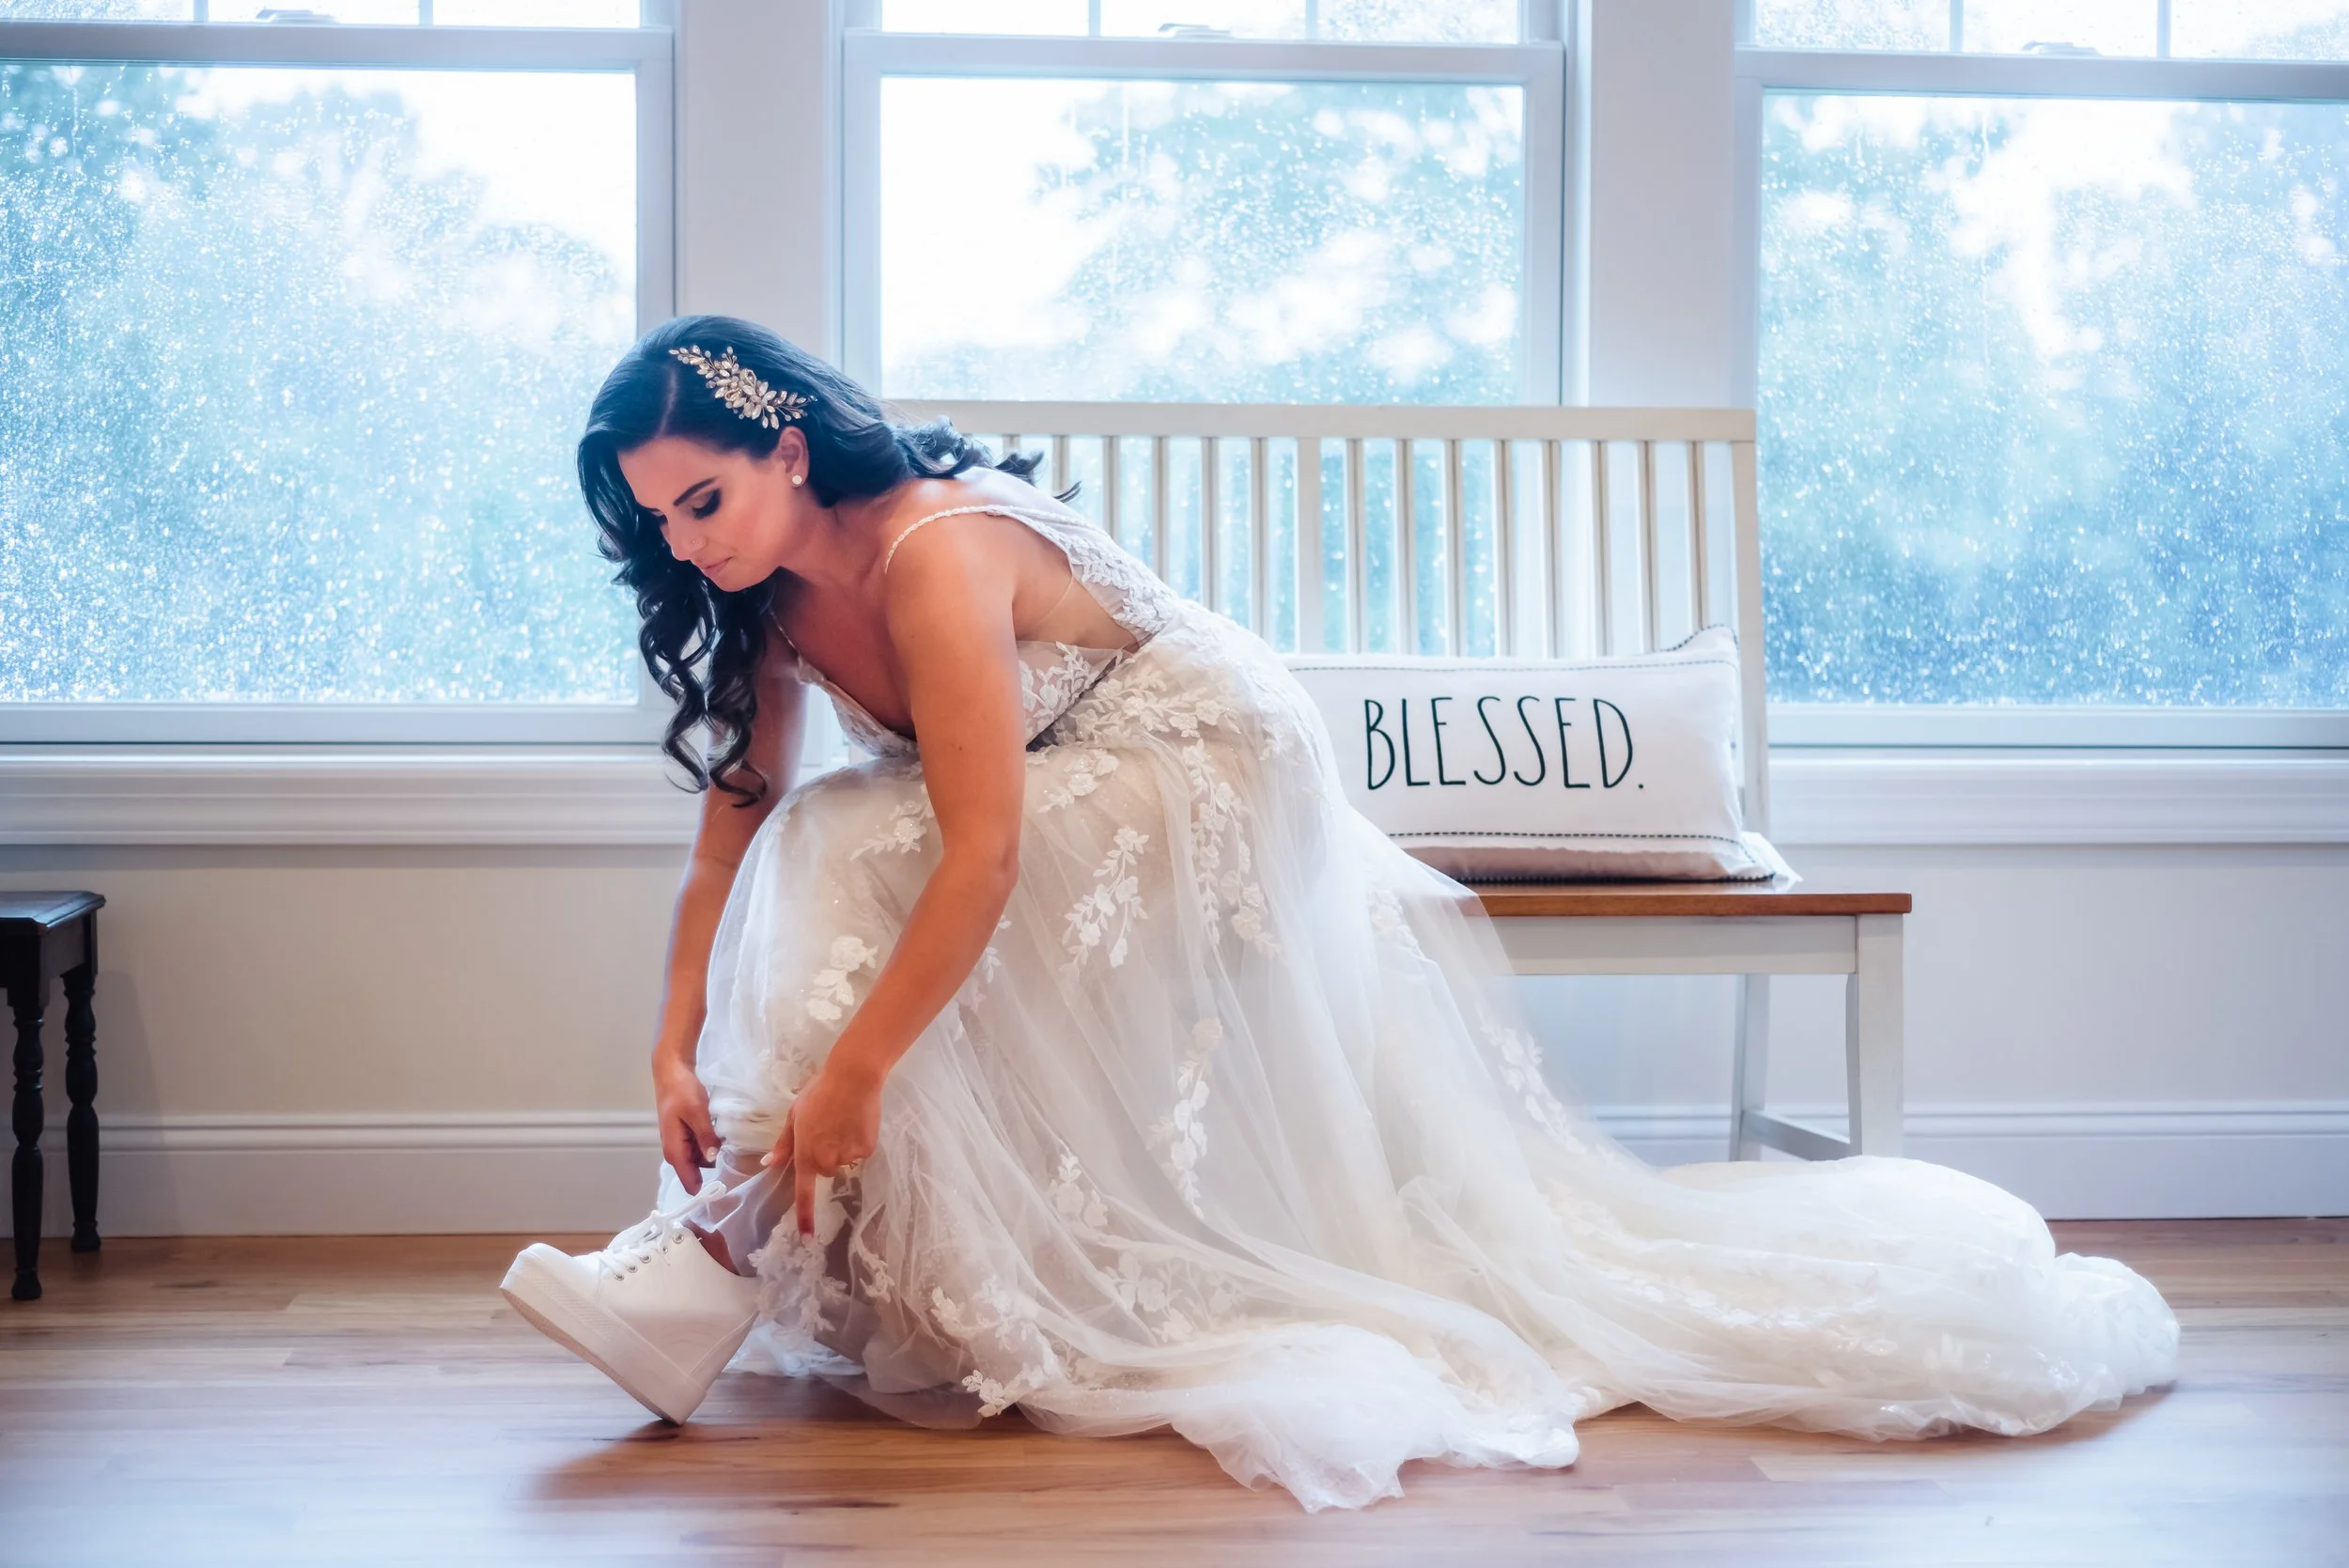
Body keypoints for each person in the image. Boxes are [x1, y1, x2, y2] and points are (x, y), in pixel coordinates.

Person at [499, 316, 2179, 1513]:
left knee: (860, 857)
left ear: (786, 446)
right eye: (654, 523)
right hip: (1058, 779)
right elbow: (729, 832)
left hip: (1206, 757)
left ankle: (710, 1254)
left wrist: (856, 1071)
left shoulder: (933, 554)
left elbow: (985, 851)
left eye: (702, 502)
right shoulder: (768, 595)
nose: (684, 544)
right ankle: (735, 1241)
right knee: (814, 842)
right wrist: (665, 1040)